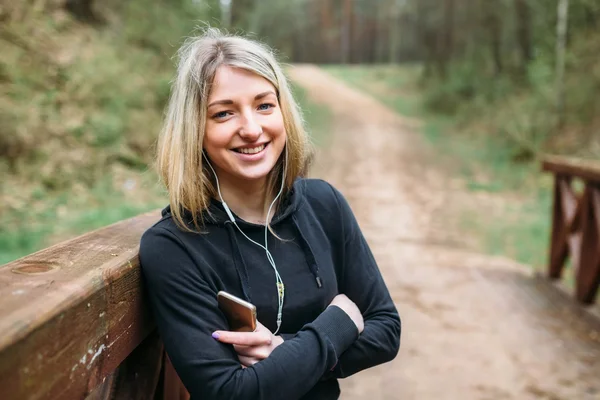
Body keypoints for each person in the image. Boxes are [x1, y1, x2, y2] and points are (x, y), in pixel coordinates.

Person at [139, 28, 401, 400]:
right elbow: (229, 392)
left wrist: (283, 349)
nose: (251, 129)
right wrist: (338, 324)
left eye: (264, 105)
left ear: (283, 112)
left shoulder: (324, 205)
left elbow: (386, 328)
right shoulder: (173, 246)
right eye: (224, 113)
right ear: (194, 129)